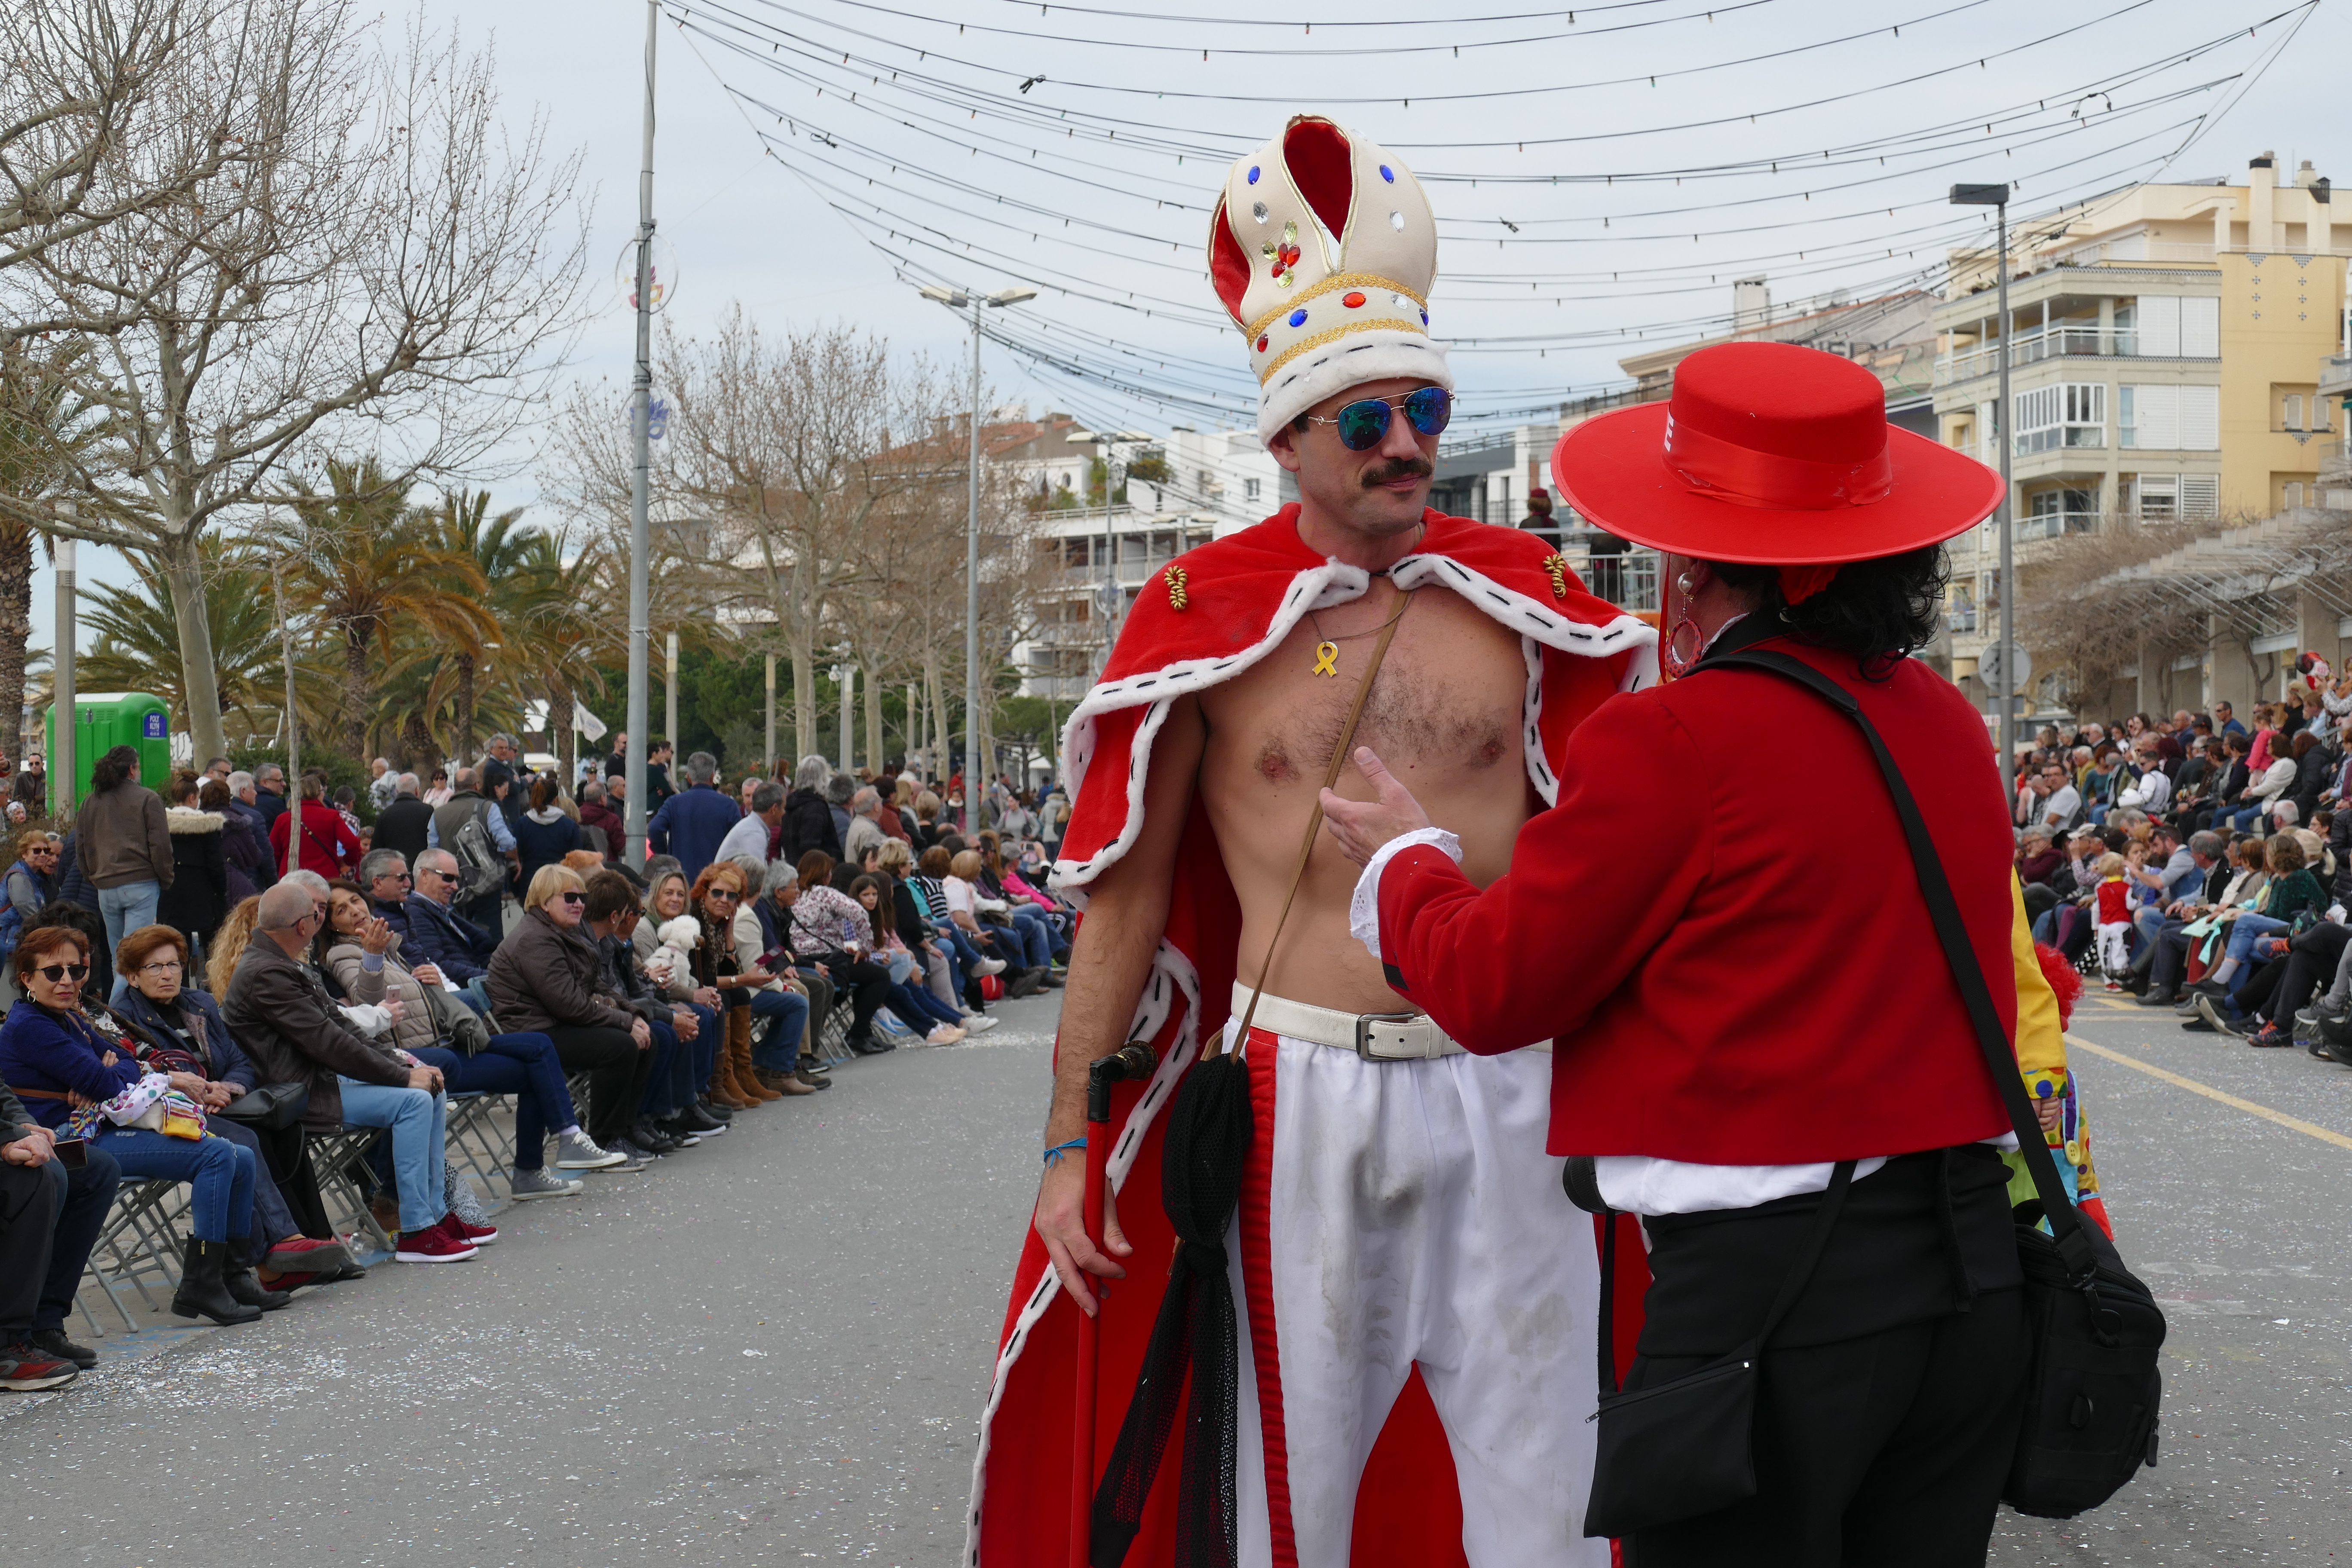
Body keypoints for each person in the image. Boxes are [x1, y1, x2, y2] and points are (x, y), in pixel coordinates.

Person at [971, 118, 1661, 1567]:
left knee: (1559, 1501)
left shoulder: (1531, 602)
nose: (1408, 441)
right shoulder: (1197, 624)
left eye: (1424, 409)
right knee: (1285, 1501)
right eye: (1368, 420)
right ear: (1288, 439)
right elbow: (1125, 899)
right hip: (1297, 1095)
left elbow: (1620, 862)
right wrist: (1065, 1141)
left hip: (1508, 1083)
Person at [1326, 338, 2071, 1562]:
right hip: (1969, 1275)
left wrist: (1409, 866)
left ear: (1699, 564)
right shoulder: (1941, 719)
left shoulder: (1673, 736)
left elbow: (1492, 985)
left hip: (1774, 1302)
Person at [0, 924, 273, 1323]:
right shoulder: (30, 1025)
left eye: (76, 971)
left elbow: (123, 1060)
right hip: (69, 1139)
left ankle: (233, 1274)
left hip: (101, 1125)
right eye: (53, 972)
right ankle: (203, 1285)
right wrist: (105, 1073)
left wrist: (111, 1070)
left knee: (242, 1155)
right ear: (27, 978)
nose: (67, 981)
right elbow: (107, 1081)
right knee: (217, 1155)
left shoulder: (69, 1018)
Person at [221, 883, 481, 1263]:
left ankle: (436, 1217)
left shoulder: (281, 961)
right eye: (318, 913)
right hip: (299, 1093)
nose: (321, 919)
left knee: (432, 1086)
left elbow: (342, 1028)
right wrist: (401, 1077)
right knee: (413, 1100)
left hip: (319, 1079)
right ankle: (416, 1229)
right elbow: (327, 1042)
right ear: (303, 926)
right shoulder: (266, 972)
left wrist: (403, 1064)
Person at [315, 879, 619, 1197]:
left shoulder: (390, 947)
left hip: (445, 1041)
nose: (353, 911)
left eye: (355, 901)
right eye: (341, 910)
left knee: (538, 1047)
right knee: (532, 1066)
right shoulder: (344, 954)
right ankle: (537, 1165)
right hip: (418, 1057)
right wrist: (373, 958)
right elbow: (369, 1007)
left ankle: (561, 1145)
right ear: (332, 924)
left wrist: (430, 984)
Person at [106, 924, 358, 1287]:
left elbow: (240, 1061)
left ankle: (312, 1237)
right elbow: (147, 1077)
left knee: (287, 1130)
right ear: (132, 976)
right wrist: (201, 1094)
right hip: (168, 1115)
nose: (168, 974)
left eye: (174, 964)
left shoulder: (200, 1004)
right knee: (241, 1142)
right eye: (155, 967)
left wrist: (229, 1087)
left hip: (222, 1106)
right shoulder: (123, 1019)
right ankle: (279, 1250)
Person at [486, 865, 660, 1164]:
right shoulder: (535, 939)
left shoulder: (563, 932)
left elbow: (597, 983)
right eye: (570, 897)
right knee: (619, 1046)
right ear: (543, 901)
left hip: (555, 1023)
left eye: (583, 896)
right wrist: (625, 1023)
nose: (580, 903)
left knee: (648, 1039)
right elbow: (569, 1005)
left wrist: (634, 1014)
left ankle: (625, 1131)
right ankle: (605, 1140)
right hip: (532, 1033)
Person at [0, 1068, 110, 1388]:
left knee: (97, 1171)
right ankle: (8, 1341)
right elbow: (100, 1080)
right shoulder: (30, 1024)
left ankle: (44, 1322)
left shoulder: (80, 1023)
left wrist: (21, 1124)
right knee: (42, 1175)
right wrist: (8, 1139)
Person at [74, 744, 174, 952]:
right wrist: (166, 878)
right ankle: (122, 987)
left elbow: (82, 845)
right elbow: (160, 846)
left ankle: (119, 987)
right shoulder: (148, 799)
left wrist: (92, 876)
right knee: (135, 955)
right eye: (138, 767)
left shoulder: (90, 802)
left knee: (118, 957)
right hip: (141, 882)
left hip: (105, 885)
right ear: (131, 769)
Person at [426, 767, 517, 934]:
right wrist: (516, 860)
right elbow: (506, 843)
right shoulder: (488, 808)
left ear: (455, 787)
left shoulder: (437, 815)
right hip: (487, 885)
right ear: (477, 786)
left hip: (453, 887)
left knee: (458, 935)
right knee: (490, 937)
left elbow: (433, 853)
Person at [155, 774, 230, 956]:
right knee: (211, 946)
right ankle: (209, 982)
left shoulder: (161, 823)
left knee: (176, 947)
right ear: (192, 797)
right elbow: (216, 865)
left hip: (170, 893)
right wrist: (221, 892)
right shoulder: (207, 825)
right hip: (202, 894)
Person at [645, 752, 739, 882]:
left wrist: (664, 856)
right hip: (716, 879)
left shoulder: (674, 803)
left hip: (682, 877)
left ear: (688, 778)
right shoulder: (729, 805)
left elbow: (654, 828)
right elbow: (738, 842)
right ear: (712, 777)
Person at [269, 772, 362, 883]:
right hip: (325, 876)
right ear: (319, 794)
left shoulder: (283, 819)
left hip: (291, 876)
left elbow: (272, 852)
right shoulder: (331, 817)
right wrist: (347, 862)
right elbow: (353, 843)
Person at [512, 776, 582, 897]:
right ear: (556, 800)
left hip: (531, 883)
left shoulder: (523, 824)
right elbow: (576, 858)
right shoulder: (569, 825)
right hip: (560, 883)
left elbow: (516, 854)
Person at [781, 756, 843, 865]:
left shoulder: (791, 802)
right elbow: (811, 849)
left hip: (793, 866)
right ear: (821, 778)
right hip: (815, 872)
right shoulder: (815, 808)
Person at [717, 781, 786, 870]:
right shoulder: (754, 834)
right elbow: (757, 878)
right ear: (774, 809)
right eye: (784, 808)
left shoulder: (753, 826)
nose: (784, 812)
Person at [373, 774, 435, 867]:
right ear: (417, 791)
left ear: (397, 791)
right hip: (422, 867)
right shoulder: (428, 811)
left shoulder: (385, 815)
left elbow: (376, 848)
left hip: (394, 869)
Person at [577, 778, 625, 861]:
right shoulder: (611, 819)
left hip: (583, 867)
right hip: (607, 868)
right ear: (602, 798)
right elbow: (622, 849)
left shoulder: (576, 817)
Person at [251, 764, 289, 830]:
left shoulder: (248, 800)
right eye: (280, 781)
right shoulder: (276, 804)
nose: (284, 784)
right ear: (265, 782)